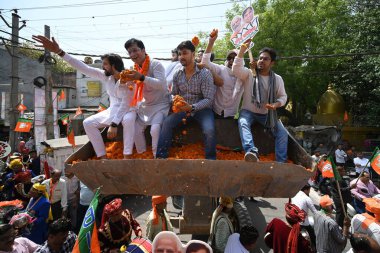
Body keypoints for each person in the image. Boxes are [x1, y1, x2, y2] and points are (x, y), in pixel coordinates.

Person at [32, 35, 135, 159]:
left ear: (113, 65)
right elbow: (83, 68)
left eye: (105, 64)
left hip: (128, 110)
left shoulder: (129, 77)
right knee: (88, 123)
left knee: (128, 120)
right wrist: (60, 52)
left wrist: (113, 125)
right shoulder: (105, 76)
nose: (103, 67)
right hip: (112, 111)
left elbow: (126, 103)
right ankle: (102, 156)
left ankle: (127, 156)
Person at [156, 40, 216, 160]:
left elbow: (208, 99)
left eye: (184, 53)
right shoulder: (177, 74)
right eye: (179, 54)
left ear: (193, 54)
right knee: (167, 123)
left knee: (209, 130)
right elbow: (173, 94)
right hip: (182, 109)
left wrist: (192, 107)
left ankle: (211, 160)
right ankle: (161, 158)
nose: (181, 57)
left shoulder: (205, 74)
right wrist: (176, 102)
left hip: (202, 109)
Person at [232, 43, 288, 162]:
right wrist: (242, 49)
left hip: (267, 114)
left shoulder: (277, 79)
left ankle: (281, 163)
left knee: (282, 133)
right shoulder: (249, 73)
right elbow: (236, 69)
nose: (261, 60)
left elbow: (283, 97)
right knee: (243, 122)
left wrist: (275, 105)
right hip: (248, 112)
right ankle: (251, 152)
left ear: (272, 63)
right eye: (260, 58)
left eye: (266, 59)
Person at [124, 38, 170, 158]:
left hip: (161, 104)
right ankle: (142, 155)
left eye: (135, 50)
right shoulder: (134, 68)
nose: (133, 55)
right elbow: (136, 88)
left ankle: (157, 157)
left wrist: (142, 77)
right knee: (135, 129)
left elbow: (161, 84)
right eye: (130, 52)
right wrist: (130, 84)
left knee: (154, 130)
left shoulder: (156, 64)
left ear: (143, 50)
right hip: (146, 106)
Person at [201, 29, 243, 118]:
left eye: (235, 58)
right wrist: (211, 42)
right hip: (216, 111)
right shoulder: (221, 69)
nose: (231, 60)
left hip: (231, 114)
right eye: (229, 58)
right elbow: (205, 62)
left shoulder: (244, 74)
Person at [291, 184, 317, 249]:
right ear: (305, 190)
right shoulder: (307, 198)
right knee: (312, 235)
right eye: (309, 190)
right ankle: (315, 248)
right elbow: (315, 212)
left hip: (292, 220)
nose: (309, 192)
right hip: (303, 222)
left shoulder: (294, 195)